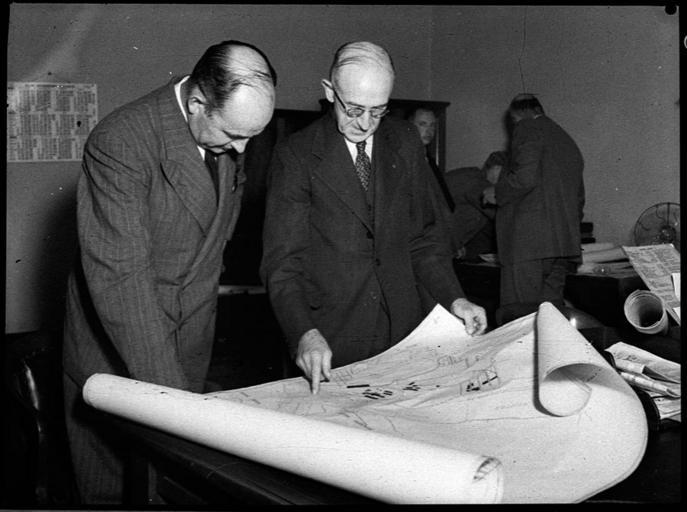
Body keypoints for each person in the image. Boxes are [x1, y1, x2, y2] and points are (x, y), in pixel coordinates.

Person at [61, 40, 277, 504]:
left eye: (252, 136)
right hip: (121, 360)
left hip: (186, 353)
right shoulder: (122, 141)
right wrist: (176, 406)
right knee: (117, 496)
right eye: (234, 133)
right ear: (197, 102)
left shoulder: (226, 131)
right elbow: (122, 282)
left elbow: (211, 244)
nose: (242, 148)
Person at [261, 41, 486, 395]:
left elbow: (424, 239)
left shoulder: (405, 139)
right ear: (329, 92)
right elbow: (283, 264)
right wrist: (303, 332)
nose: (365, 124)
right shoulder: (296, 155)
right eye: (353, 109)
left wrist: (454, 298)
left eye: (378, 111)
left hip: (405, 328)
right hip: (331, 335)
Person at [482, 94, 585, 324]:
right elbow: (579, 199)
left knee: (518, 320)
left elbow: (525, 178)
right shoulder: (566, 141)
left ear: (518, 116)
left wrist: (497, 191)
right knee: (551, 321)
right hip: (562, 246)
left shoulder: (527, 127)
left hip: (528, 245)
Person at [444, 151, 506, 260]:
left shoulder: (473, 179)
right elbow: (501, 214)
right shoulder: (474, 181)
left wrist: (464, 251)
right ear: (496, 168)